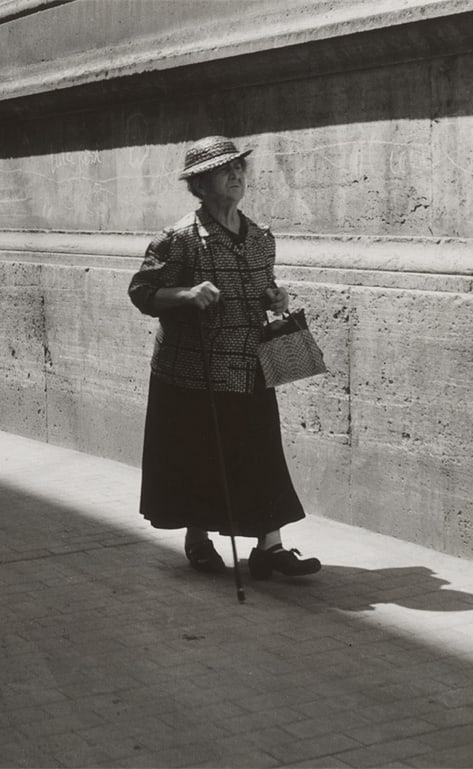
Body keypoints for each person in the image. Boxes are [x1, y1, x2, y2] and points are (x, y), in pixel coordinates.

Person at [127, 136, 321, 579]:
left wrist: (275, 296)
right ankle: (198, 538)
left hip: (250, 363)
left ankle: (269, 548)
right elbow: (141, 292)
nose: (236, 175)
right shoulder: (178, 240)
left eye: (239, 168)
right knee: (200, 456)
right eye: (224, 170)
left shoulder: (260, 238)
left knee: (261, 453)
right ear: (199, 184)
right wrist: (185, 294)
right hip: (193, 371)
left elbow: (264, 288)